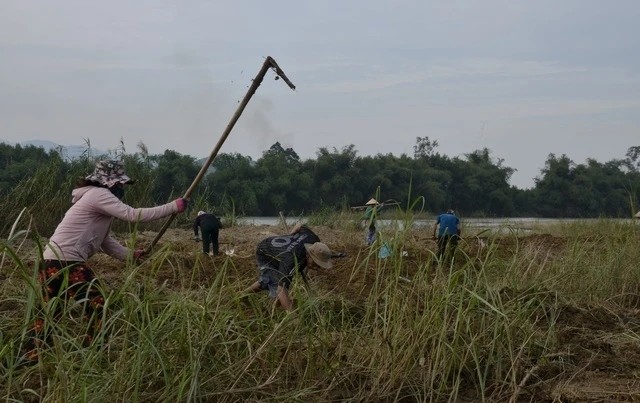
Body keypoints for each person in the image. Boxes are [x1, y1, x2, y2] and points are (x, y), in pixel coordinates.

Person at [23, 159, 189, 361]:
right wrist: (173, 206)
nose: (121, 187)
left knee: (50, 312)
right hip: (66, 261)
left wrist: (130, 255)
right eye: (119, 184)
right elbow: (132, 215)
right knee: (99, 303)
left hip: (50, 262)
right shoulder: (98, 195)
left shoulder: (96, 201)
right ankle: (93, 352)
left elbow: (105, 241)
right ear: (108, 182)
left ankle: (29, 357)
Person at [244, 223, 337, 310]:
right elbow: (281, 290)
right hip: (265, 252)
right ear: (308, 255)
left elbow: (299, 225)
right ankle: (273, 312)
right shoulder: (291, 260)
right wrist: (293, 317)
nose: (317, 267)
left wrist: (291, 235)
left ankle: (243, 296)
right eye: (316, 263)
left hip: (280, 253)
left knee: (268, 279)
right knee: (276, 285)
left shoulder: (313, 239)